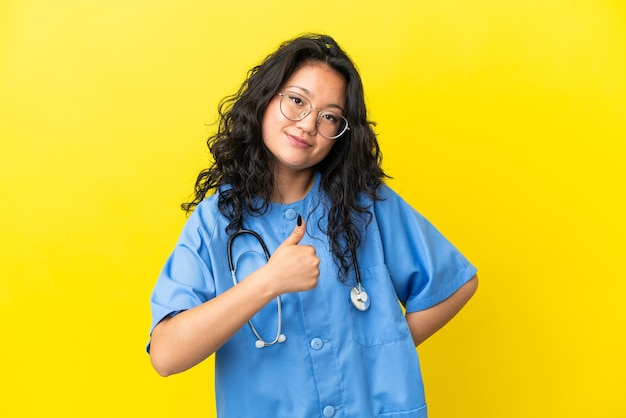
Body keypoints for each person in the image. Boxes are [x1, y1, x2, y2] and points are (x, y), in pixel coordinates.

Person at [148, 33, 478, 418]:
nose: (308, 124)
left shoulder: (367, 204)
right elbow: (166, 356)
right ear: (266, 99)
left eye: (330, 116)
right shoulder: (213, 223)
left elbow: (455, 283)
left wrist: (385, 350)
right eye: (297, 101)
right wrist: (268, 281)